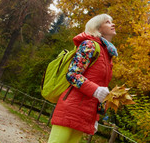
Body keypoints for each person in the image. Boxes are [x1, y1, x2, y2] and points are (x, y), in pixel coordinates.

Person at [47, 14, 118, 143]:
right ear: (98, 28)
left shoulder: (108, 55)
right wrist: (96, 90)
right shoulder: (89, 45)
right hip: (71, 108)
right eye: (108, 22)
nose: (112, 24)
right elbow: (73, 74)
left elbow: (102, 88)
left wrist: (95, 118)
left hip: (86, 113)